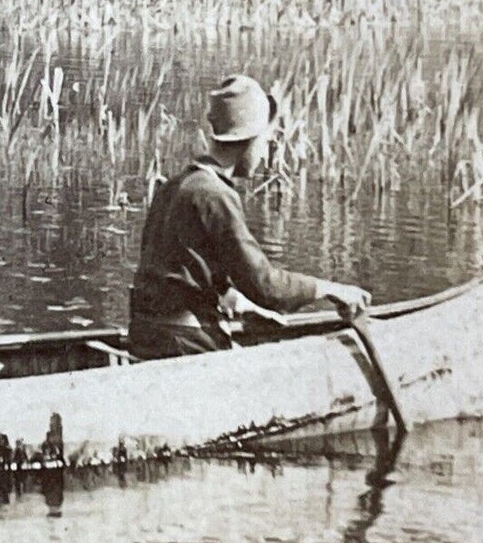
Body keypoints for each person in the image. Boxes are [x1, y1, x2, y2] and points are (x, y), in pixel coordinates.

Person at [128, 74, 370, 359]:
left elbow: (175, 275)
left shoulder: (174, 186)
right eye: (265, 142)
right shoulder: (215, 195)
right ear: (249, 140)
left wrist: (240, 303)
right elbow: (267, 286)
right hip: (184, 344)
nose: (266, 155)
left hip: (144, 335)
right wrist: (331, 289)